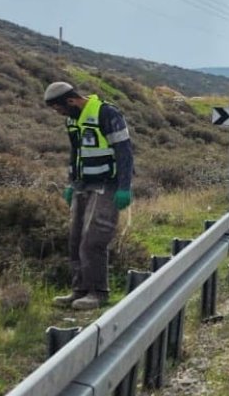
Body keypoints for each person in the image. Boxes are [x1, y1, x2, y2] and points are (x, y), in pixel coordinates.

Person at [45, 82, 134, 310]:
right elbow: (75, 153)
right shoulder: (73, 120)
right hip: (81, 185)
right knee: (75, 239)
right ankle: (80, 290)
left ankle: (98, 292)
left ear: (71, 100)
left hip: (107, 185)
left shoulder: (107, 113)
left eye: (60, 109)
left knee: (93, 240)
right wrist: (70, 183)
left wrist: (125, 187)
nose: (60, 114)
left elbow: (124, 151)